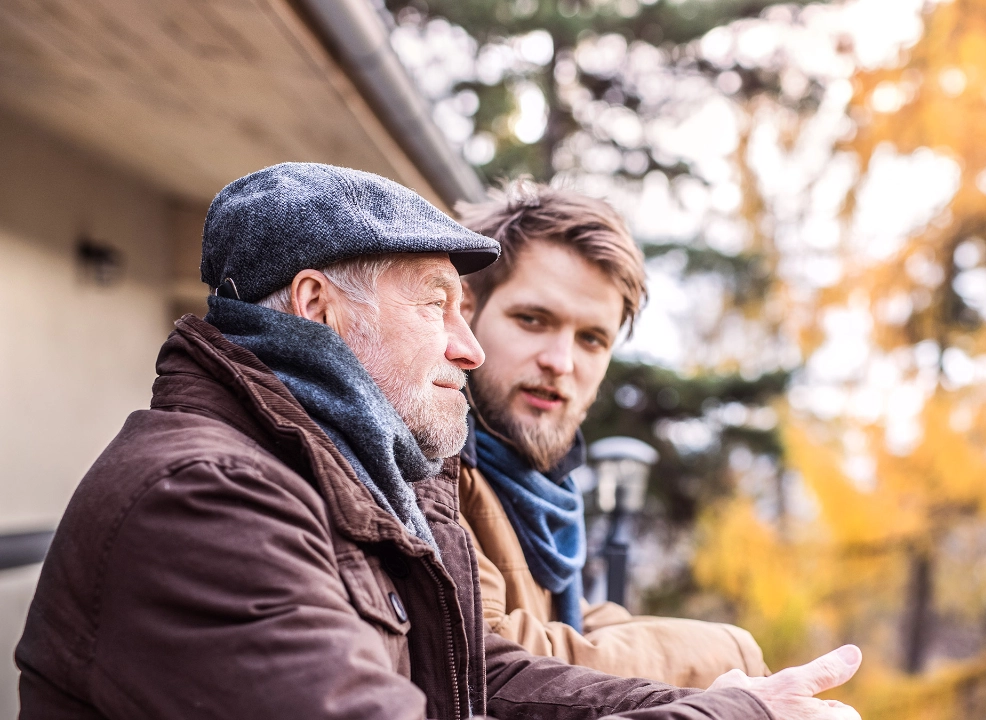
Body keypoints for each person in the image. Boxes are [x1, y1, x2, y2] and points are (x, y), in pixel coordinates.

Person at [15, 162, 863, 720]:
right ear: (318, 309)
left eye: (466, 308)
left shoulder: (365, 480)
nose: (470, 346)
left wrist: (738, 699)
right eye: (435, 305)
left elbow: (477, 676)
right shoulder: (203, 500)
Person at [452, 183, 768, 689]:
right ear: (465, 308)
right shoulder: (432, 456)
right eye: (532, 320)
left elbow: (571, 624)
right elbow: (487, 651)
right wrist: (735, 654)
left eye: (592, 339)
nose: (561, 362)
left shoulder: (542, 488)